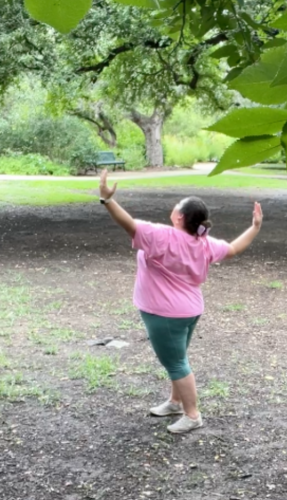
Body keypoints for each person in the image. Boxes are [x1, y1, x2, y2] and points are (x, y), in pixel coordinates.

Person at [98, 170, 263, 434]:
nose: (173, 208)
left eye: (177, 206)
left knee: (176, 363)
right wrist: (254, 228)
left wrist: (107, 200)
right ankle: (175, 403)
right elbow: (233, 249)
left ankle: (192, 415)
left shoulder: (161, 235)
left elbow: (128, 223)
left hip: (165, 314)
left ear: (180, 217)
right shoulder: (204, 243)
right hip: (190, 310)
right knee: (179, 358)